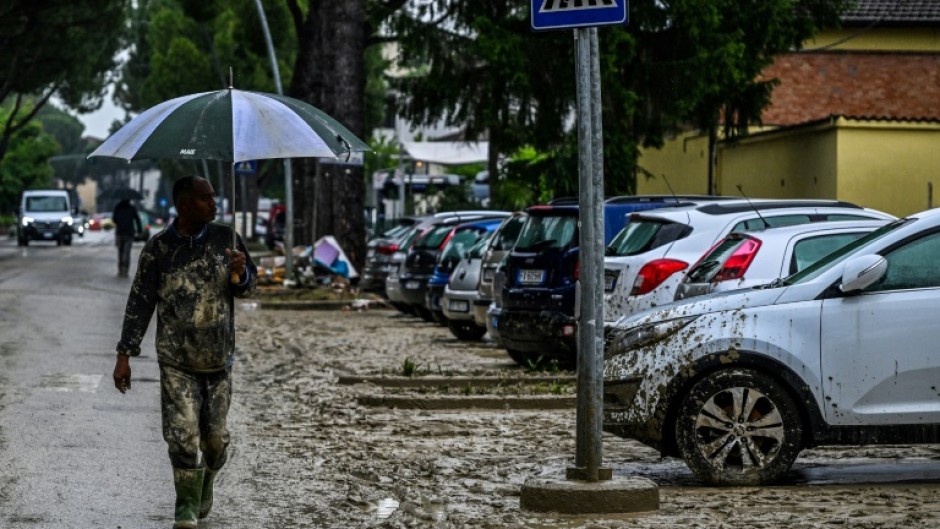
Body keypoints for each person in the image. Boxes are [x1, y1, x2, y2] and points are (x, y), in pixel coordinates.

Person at [112, 175, 256, 529]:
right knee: (182, 435)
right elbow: (140, 303)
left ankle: (206, 479)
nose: (214, 203)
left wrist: (241, 274)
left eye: (213, 197)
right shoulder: (159, 249)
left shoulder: (227, 240)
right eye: (206, 198)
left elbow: (247, 289)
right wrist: (124, 354)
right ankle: (185, 507)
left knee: (216, 441)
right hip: (176, 360)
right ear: (184, 204)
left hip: (218, 360)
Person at [112, 198, 143, 277]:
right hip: (129, 233)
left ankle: (120, 269)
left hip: (120, 232)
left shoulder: (117, 207)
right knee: (127, 252)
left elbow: (114, 219)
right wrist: (139, 231)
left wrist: (120, 221)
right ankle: (125, 270)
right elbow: (137, 219)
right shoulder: (132, 208)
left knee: (121, 252)